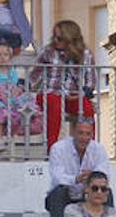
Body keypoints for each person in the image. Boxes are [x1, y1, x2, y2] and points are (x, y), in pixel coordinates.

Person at [44, 117, 110, 217]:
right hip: (65, 196)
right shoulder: (58, 148)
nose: (84, 138)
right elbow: (57, 177)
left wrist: (93, 177)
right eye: (81, 133)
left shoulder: (98, 149)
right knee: (59, 191)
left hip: (87, 195)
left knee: (104, 191)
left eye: (88, 134)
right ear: (73, 132)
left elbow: (104, 174)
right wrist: (76, 178)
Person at [30, 18, 97, 146]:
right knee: (55, 104)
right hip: (50, 93)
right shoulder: (48, 51)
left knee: (86, 108)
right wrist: (23, 86)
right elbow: (34, 74)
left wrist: (81, 94)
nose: (55, 40)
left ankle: (88, 148)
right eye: (54, 37)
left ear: (69, 38)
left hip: (72, 95)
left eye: (59, 38)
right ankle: (52, 148)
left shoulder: (85, 54)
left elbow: (90, 80)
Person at [0, 41, 41, 153]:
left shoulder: (12, 71)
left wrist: (14, 91)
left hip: (9, 99)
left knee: (22, 107)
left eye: (5, 55)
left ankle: (19, 131)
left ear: (10, 57)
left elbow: (13, 86)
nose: (2, 58)